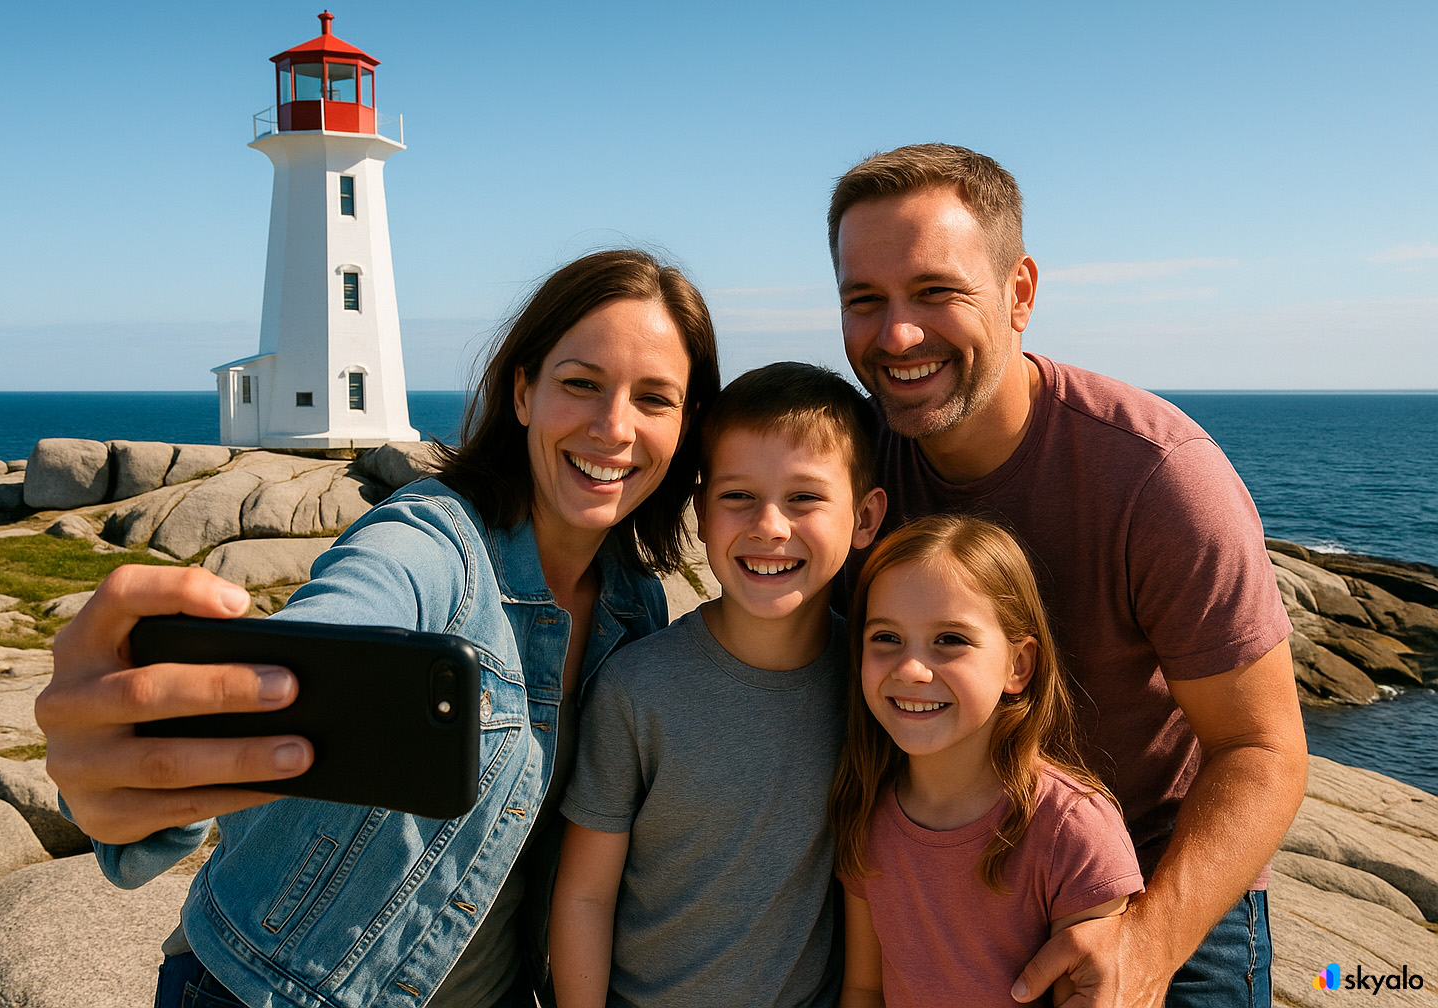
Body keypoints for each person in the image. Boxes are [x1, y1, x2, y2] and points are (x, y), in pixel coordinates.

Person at [35, 249, 722, 1008]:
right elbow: (338, 625)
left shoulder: (635, 609)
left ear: (687, 425)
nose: (613, 427)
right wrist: (130, 754)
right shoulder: (428, 545)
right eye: (581, 384)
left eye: (654, 399)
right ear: (524, 391)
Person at [827, 144, 1307, 1007]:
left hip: (1153, 867)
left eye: (936, 292)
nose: (896, 334)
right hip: (934, 860)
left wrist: (1146, 948)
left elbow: (1264, 748)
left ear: (1019, 293)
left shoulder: (1158, 477)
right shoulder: (850, 470)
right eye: (865, 300)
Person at [548, 362, 886, 1007]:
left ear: (865, 518)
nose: (769, 526)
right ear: (701, 513)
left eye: (805, 498)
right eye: (737, 497)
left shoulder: (875, 687)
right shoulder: (636, 688)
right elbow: (585, 895)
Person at [830, 514, 1144, 1008]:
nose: (911, 669)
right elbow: (864, 988)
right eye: (886, 638)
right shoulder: (866, 809)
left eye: (950, 640)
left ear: (1018, 665)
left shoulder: (1072, 831)